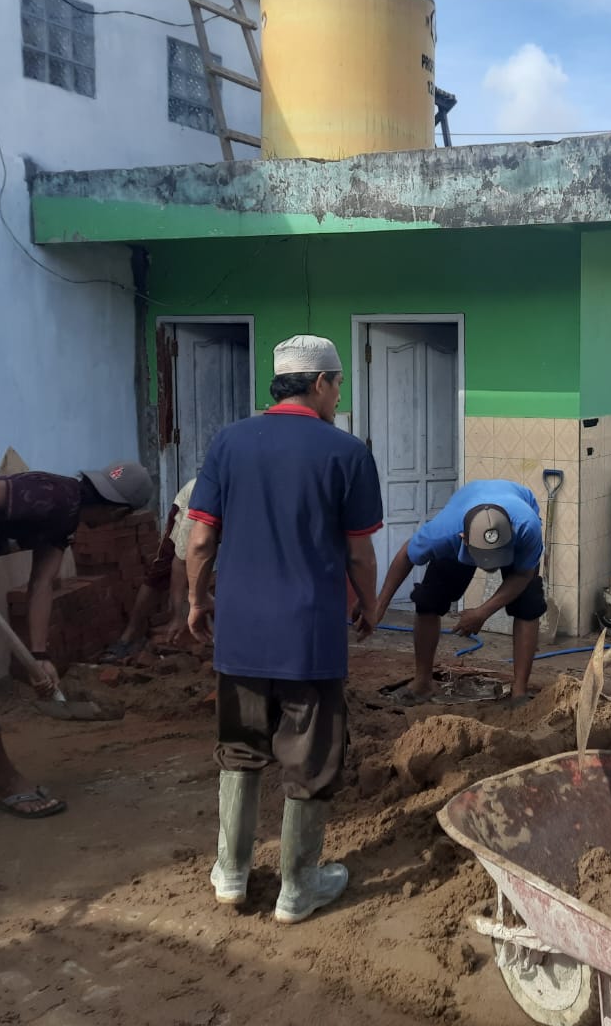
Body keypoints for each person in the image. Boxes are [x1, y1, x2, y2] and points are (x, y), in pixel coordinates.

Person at [186, 335, 382, 920]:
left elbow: (201, 539)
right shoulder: (347, 452)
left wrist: (196, 600)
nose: (338, 395)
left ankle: (231, 873)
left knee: (239, 749)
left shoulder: (228, 441)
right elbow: (359, 553)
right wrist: (370, 605)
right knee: (310, 757)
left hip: (240, 633)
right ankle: (298, 888)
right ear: (320, 383)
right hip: (309, 637)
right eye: (338, 385)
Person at [0, 461, 152, 817]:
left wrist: (39, 654)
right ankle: (5, 783)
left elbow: (42, 585)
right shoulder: (52, 495)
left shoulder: (65, 519)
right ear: (117, 511)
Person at [374, 480, 546, 705]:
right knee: (428, 600)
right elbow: (407, 555)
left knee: (528, 604)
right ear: (463, 539)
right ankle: (422, 683)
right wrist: (380, 605)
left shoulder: (527, 528)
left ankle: (519, 691)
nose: (490, 565)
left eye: (496, 557)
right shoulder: (443, 534)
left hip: (515, 517)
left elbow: (523, 575)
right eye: (484, 557)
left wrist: (482, 612)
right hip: (463, 515)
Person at [107, 477, 197, 662]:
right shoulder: (194, 509)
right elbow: (179, 563)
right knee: (160, 572)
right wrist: (177, 615)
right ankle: (128, 636)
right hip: (189, 504)